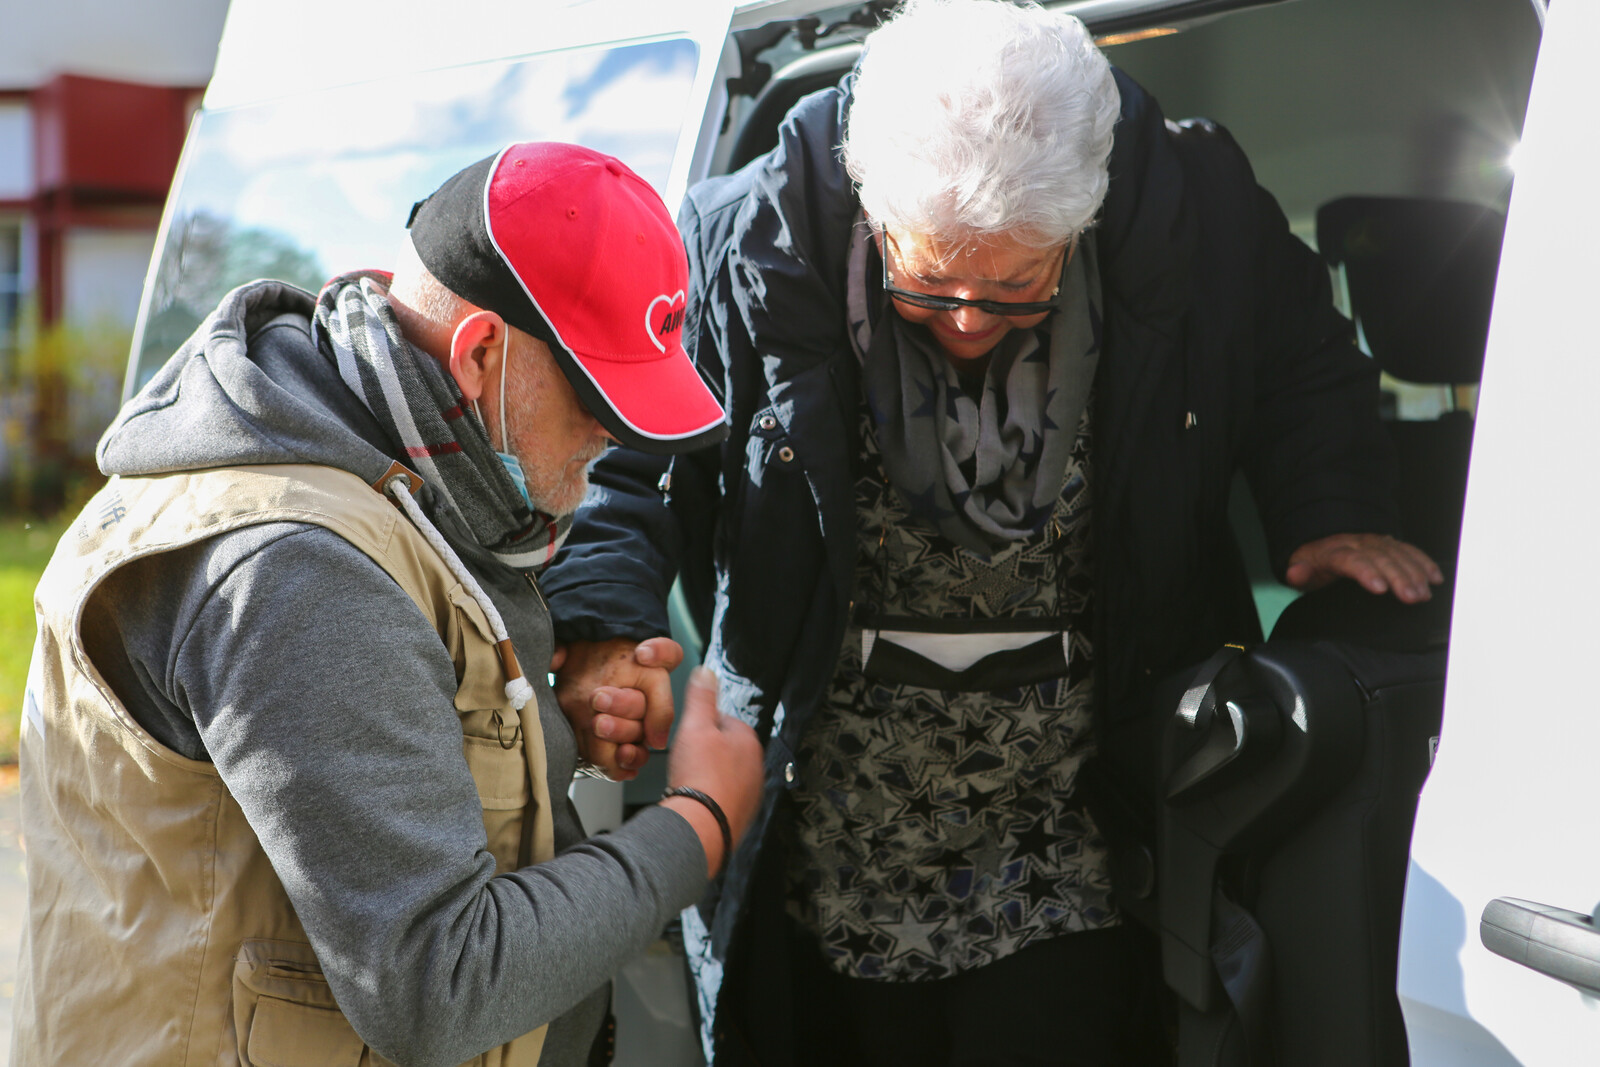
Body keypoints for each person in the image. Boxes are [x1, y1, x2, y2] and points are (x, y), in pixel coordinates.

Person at [544, 2, 1444, 1063]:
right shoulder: (740, 239)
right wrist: (605, 622)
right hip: (827, 828)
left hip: (1086, 827)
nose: (969, 318)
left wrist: (1331, 511)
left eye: (1018, 285)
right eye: (929, 282)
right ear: (871, 206)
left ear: (1086, 214)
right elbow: (626, 461)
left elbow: (1303, 359)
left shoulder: (1190, 208)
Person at [11, 142, 763, 1067]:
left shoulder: (397, 474)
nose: (612, 434)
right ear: (481, 353)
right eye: (596, 397)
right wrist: (698, 825)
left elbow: (356, 745)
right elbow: (438, 983)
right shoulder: (296, 567)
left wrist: (536, 729)